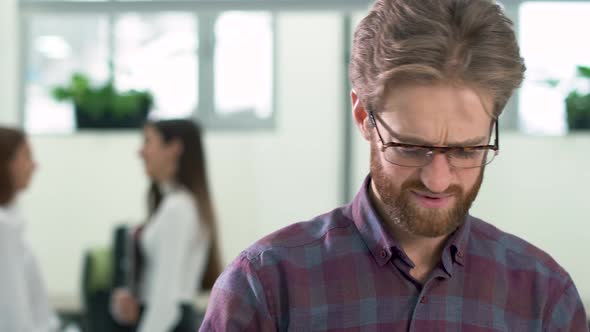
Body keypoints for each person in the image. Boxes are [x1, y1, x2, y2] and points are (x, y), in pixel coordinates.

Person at [199, 0, 588, 330]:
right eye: (410, 147)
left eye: (466, 151)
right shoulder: (265, 287)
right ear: (363, 116)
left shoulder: (544, 298)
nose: (437, 180)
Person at [111, 119, 222, 332]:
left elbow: (166, 301)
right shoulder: (177, 205)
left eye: (148, 142)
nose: (140, 152)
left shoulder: (178, 208)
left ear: (174, 148)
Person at [0, 126, 60, 332]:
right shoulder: (3, 227)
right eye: (26, 156)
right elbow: (15, 318)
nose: (34, 165)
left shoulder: (9, 223)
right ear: (5, 162)